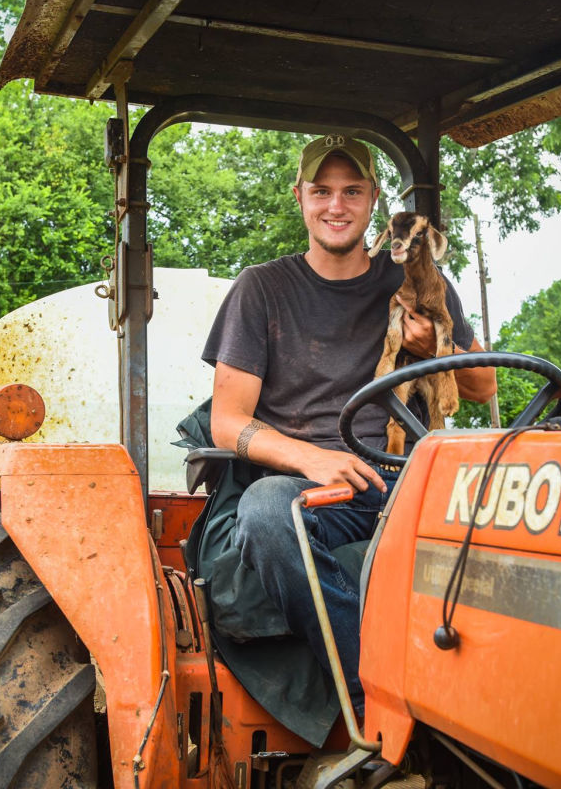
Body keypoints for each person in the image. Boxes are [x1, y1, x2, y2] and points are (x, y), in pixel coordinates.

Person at [199, 134, 496, 728]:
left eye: (352, 191)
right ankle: (375, 701)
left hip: (405, 481)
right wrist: (311, 459)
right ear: (300, 198)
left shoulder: (418, 282)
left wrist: (432, 347)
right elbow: (227, 422)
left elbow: (483, 385)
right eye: (322, 191)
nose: (336, 206)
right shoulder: (263, 288)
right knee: (267, 513)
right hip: (310, 490)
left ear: (374, 200)